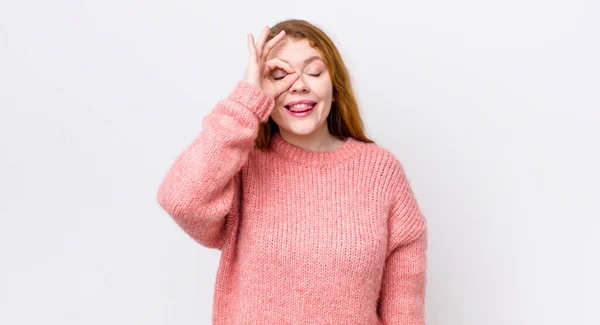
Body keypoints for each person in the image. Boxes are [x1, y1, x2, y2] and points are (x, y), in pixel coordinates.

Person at [157, 19, 428, 325]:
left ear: (335, 87)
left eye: (313, 72)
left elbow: (404, 309)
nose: (299, 84)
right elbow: (181, 199)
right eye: (279, 75)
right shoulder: (241, 166)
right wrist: (247, 99)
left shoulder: (380, 172)